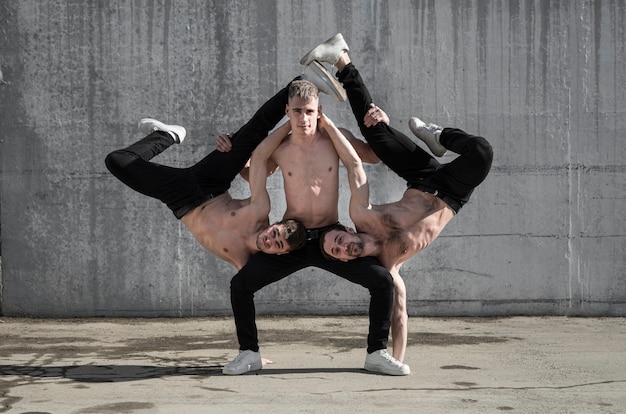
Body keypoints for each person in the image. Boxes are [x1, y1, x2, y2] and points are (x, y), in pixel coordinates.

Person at [301, 34, 494, 362]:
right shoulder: (389, 265)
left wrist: (327, 123)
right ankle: (439, 138)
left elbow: (353, 163)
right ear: (347, 262)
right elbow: (399, 313)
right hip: (452, 194)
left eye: (338, 241)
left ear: (346, 230)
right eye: (339, 254)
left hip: (420, 178)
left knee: (373, 128)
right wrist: (398, 359)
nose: (343, 248)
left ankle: (341, 59)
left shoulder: (362, 214)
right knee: (481, 152)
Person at [223, 74, 410, 376]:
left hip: (331, 237)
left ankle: (376, 353)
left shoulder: (336, 139)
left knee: (381, 281)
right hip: (291, 237)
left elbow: (374, 156)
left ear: (319, 111)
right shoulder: (280, 148)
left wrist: (382, 123)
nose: (303, 118)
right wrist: (230, 148)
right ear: (288, 111)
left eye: (310, 111)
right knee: (241, 284)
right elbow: (252, 172)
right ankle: (249, 353)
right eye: (297, 111)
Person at [104, 80, 308, 271]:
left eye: (277, 244)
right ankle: (303, 84)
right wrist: (293, 122)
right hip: (212, 183)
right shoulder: (260, 210)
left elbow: (243, 289)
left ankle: (165, 135)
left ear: (282, 252)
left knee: (117, 161)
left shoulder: (243, 260)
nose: (270, 240)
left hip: (179, 198)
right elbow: (259, 162)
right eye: (275, 234)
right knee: (251, 133)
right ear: (274, 225)